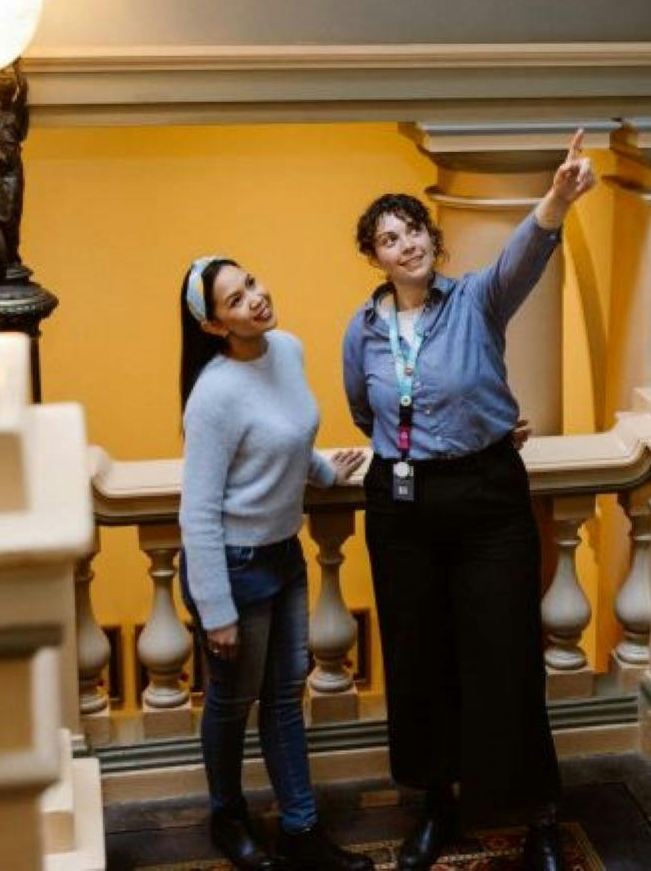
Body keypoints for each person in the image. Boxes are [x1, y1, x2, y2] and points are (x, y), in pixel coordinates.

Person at [341, 130, 598, 871]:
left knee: (508, 654)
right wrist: (423, 437)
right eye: (389, 239)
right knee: (419, 659)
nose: (406, 245)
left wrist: (557, 197)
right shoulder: (363, 330)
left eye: (413, 230)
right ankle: (437, 804)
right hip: (402, 506)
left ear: (433, 237)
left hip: (486, 498)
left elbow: (525, 254)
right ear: (376, 258)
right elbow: (363, 409)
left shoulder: (476, 300)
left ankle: (539, 813)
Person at [178, 256, 374, 871]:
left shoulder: (287, 350)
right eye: (235, 300)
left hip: (285, 554)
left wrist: (323, 472)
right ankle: (227, 816)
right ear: (214, 326)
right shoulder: (213, 396)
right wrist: (216, 610)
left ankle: (300, 828)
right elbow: (197, 511)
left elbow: (286, 438)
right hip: (234, 567)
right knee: (232, 702)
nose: (255, 299)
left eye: (252, 283)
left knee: (286, 695)